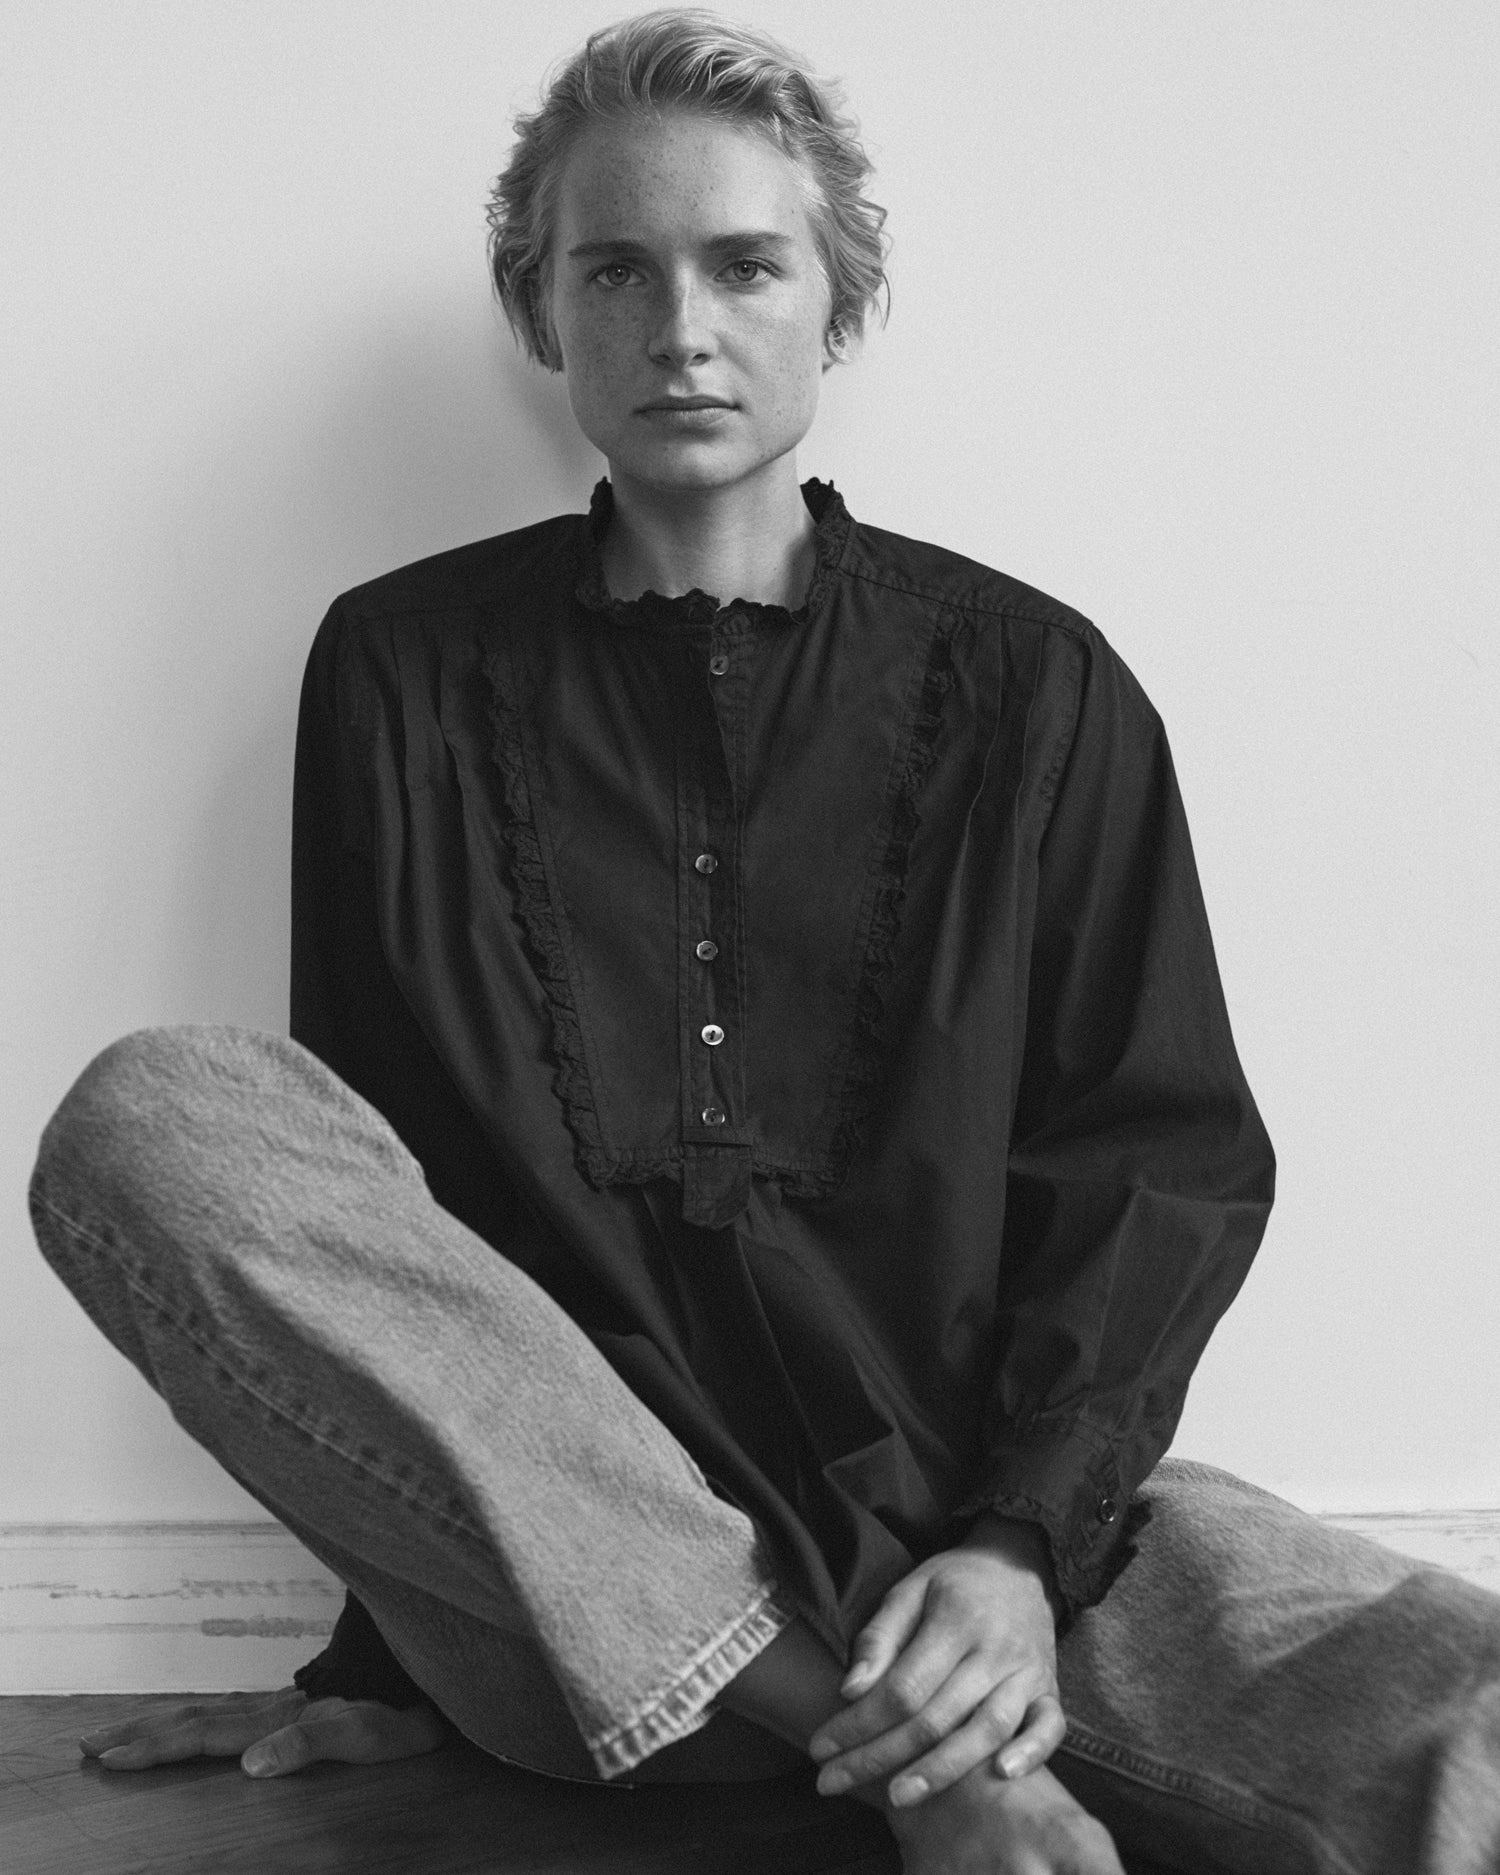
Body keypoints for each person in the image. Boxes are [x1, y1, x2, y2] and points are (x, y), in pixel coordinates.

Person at [27, 11, 1500, 1873]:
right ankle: (910, 1763)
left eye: (744, 263)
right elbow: (372, 1208)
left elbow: (1156, 1161)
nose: (680, 324)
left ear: (839, 300)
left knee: (1474, 1714)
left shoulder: (1038, 686)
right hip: (594, 1620)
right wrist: (389, 1647)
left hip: (989, 1567)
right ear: (544, 312)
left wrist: (1018, 1544)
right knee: (163, 1112)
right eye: (614, 270)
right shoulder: (398, 671)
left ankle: (936, 1711)